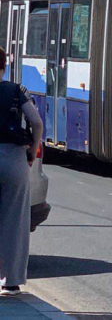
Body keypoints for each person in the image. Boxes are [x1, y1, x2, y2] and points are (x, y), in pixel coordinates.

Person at [0, 47, 43, 297]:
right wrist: (32, 152)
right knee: (14, 221)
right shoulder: (17, 90)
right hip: (13, 159)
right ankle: (10, 282)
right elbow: (36, 122)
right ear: (4, 66)